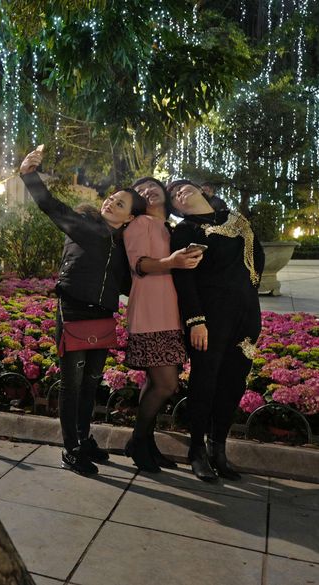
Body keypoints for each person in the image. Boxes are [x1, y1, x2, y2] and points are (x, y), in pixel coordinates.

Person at [20, 147, 147, 476]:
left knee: (91, 383)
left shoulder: (124, 246)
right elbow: (50, 205)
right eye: (111, 198)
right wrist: (29, 175)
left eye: (120, 204)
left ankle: (83, 437)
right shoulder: (83, 225)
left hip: (103, 315)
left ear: (130, 217)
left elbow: (127, 284)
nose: (110, 203)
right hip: (73, 310)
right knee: (72, 384)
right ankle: (71, 449)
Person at [167, 179, 264, 483]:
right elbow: (184, 279)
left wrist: (246, 295)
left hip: (246, 316)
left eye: (184, 188)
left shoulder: (237, 221)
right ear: (176, 208)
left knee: (234, 382)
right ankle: (196, 450)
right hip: (209, 320)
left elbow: (257, 259)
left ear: (201, 191)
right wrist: (195, 320)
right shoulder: (185, 231)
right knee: (205, 383)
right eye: (174, 196)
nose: (180, 193)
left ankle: (218, 449)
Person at [123, 177, 203, 472]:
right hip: (150, 312)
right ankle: (136, 441)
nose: (147, 191)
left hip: (171, 314)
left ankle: (147, 445)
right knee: (166, 384)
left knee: (155, 382)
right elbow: (139, 265)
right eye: (140, 190)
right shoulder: (139, 224)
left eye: (152, 186)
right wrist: (173, 262)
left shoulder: (167, 228)